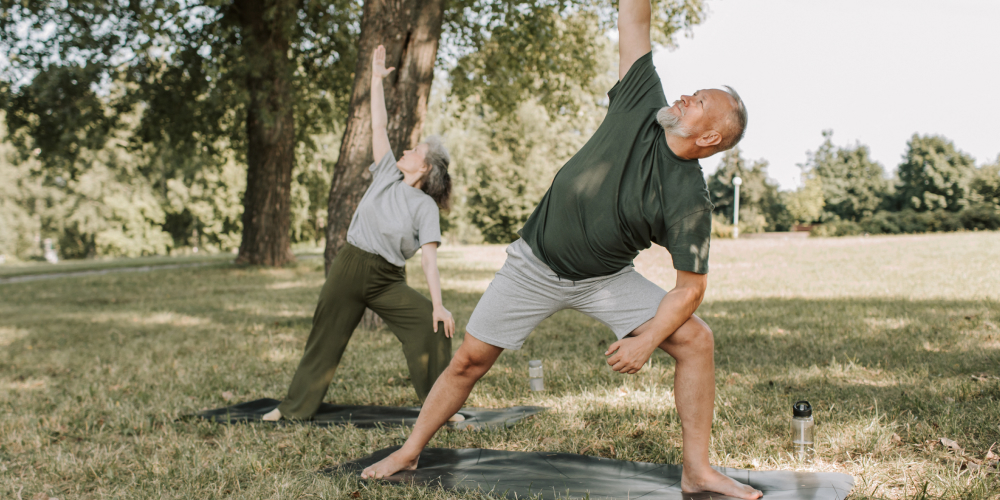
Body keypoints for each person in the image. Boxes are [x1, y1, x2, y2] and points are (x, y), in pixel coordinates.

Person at [361, 0, 760, 497]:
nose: (684, 96)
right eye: (693, 92)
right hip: (535, 263)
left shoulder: (689, 200)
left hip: (605, 279)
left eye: (698, 101)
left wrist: (648, 338)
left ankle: (697, 469)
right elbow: (633, 16)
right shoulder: (643, 100)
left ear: (711, 136)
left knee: (696, 340)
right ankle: (408, 451)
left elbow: (690, 290)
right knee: (468, 360)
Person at [263, 45, 457, 422]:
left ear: (426, 167)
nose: (406, 148)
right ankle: (293, 409)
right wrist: (375, 80)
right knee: (325, 337)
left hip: (387, 279)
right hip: (350, 266)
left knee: (430, 325)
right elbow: (379, 125)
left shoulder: (425, 208)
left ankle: (442, 410)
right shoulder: (386, 172)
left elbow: (430, 261)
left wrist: (438, 304)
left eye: (414, 149)